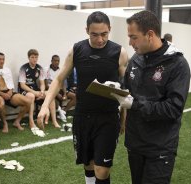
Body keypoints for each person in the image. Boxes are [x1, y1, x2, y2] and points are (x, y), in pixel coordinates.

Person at [37, 11, 128, 184]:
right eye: (95, 34)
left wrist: (124, 117)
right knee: (89, 165)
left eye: (104, 34)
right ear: (87, 30)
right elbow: (58, 79)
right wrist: (44, 106)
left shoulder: (119, 52)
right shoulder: (77, 50)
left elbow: (126, 88)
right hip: (83, 117)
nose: (100, 39)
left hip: (107, 118)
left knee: (102, 169)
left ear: (110, 29)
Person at [111, 10, 191, 184]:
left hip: (160, 148)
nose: (130, 42)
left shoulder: (177, 64)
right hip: (135, 144)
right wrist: (117, 88)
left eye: (134, 37)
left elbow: (173, 108)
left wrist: (135, 105)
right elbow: (128, 88)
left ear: (149, 35)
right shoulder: (136, 59)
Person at [0, 52, 32, 132]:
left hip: (8, 92)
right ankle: (5, 123)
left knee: (28, 101)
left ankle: (17, 121)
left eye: (3, 59)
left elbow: (11, 83)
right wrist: (2, 94)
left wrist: (10, 92)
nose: (2, 61)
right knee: (1, 104)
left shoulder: (7, 70)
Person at [18, 49, 60, 129]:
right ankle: (31, 121)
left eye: (36, 57)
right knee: (31, 96)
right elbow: (22, 85)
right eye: (32, 57)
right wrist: (34, 92)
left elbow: (42, 84)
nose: (34, 59)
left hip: (35, 90)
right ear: (29, 58)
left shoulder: (40, 68)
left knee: (49, 94)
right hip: (25, 91)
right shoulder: (23, 68)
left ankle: (54, 121)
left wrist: (42, 91)